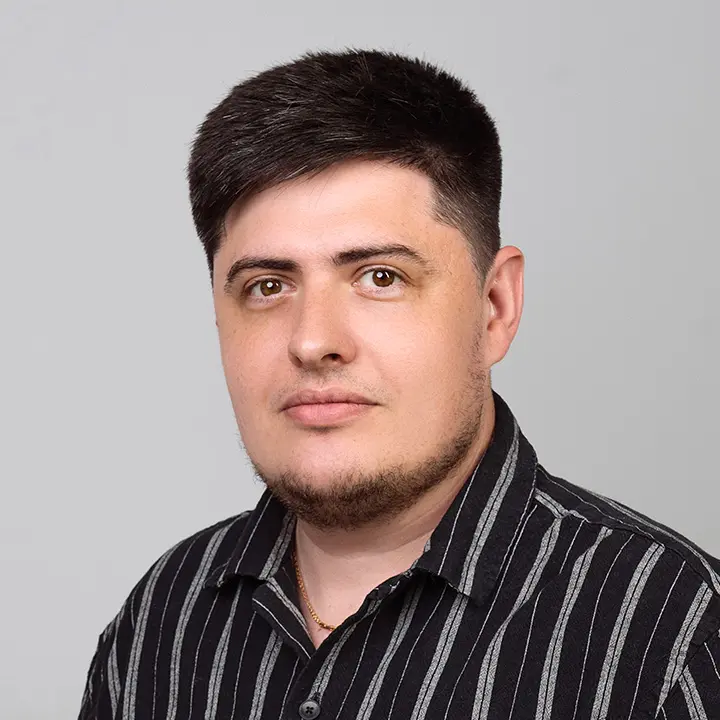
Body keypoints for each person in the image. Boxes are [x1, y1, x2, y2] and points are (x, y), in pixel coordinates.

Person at [78, 49, 720, 720]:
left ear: (495, 307)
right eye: (267, 287)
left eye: (380, 277)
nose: (312, 341)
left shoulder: (672, 639)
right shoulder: (160, 622)